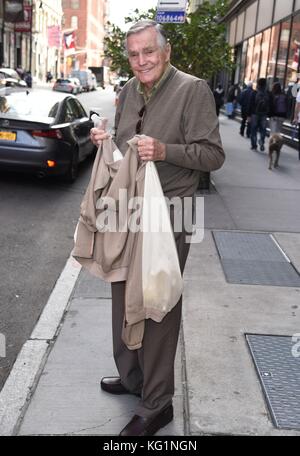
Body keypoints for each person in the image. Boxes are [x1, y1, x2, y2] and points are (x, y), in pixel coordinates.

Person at [89, 20, 225, 436]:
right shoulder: (129, 90)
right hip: (128, 209)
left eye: (148, 51)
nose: (141, 60)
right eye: (133, 54)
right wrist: (106, 142)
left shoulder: (193, 89)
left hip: (170, 214)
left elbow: (212, 155)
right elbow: (128, 149)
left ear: (165, 51)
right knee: (121, 292)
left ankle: (157, 402)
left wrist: (165, 150)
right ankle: (133, 378)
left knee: (158, 305)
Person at [248, 77, 270, 151]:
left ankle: (254, 145)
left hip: (255, 114)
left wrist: (248, 115)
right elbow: (271, 104)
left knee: (253, 130)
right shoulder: (267, 93)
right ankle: (261, 141)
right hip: (264, 114)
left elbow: (250, 104)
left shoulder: (254, 92)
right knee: (263, 129)